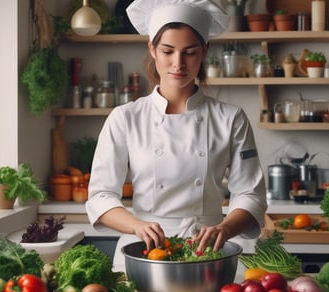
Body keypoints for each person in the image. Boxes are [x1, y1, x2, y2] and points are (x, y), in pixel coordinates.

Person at [86, 0, 267, 272]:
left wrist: (225, 228)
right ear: (152, 49)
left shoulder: (230, 118)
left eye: (190, 52)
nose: (178, 63)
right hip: (143, 252)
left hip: (208, 253)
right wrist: (137, 225)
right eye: (167, 51)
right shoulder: (125, 117)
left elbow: (251, 195)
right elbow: (100, 196)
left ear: (204, 51)